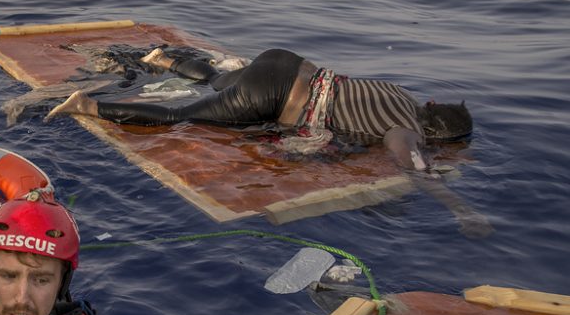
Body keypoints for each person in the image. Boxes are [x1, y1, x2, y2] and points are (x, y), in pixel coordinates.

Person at [48, 47, 492, 237]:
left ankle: (164, 59)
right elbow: (413, 165)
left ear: (432, 104)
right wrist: (463, 210)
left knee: (219, 81)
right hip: (276, 96)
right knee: (180, 117)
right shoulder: (406, 129)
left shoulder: (401, 93)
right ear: (434, 134)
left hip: (286, 63)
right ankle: (87, 105)